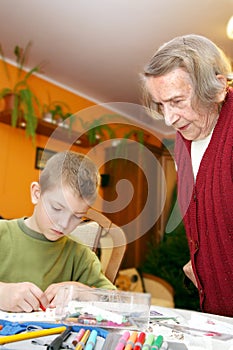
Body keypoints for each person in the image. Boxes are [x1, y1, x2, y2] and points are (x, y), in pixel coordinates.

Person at [141, 34, 233, 317]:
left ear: (217, 88)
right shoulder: (183, 140)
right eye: (161, 105)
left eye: (178, 101)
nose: (169, 119)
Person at [0, 150, 115, 313]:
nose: (64, 224)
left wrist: (82, 292)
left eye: (78, 216)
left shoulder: (81, 256)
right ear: (36, 193)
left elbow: (118, 303)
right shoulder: (2, 233)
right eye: (56, 208)